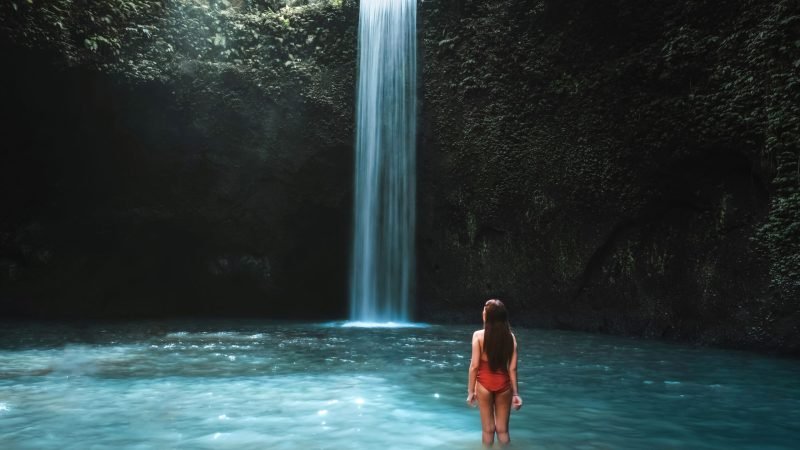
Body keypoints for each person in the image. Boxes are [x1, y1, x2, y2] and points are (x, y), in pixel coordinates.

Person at [467, 299, 523, 447]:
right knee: (503, 430)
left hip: (483, 385)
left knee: (488, 430)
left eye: (484, 310)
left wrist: (470, 391)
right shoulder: (511, 337)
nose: (482, 312)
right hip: (504, 386)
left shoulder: (478, 336)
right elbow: (512, 368)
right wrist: (516, 394)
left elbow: (474, 366)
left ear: (488, 316)